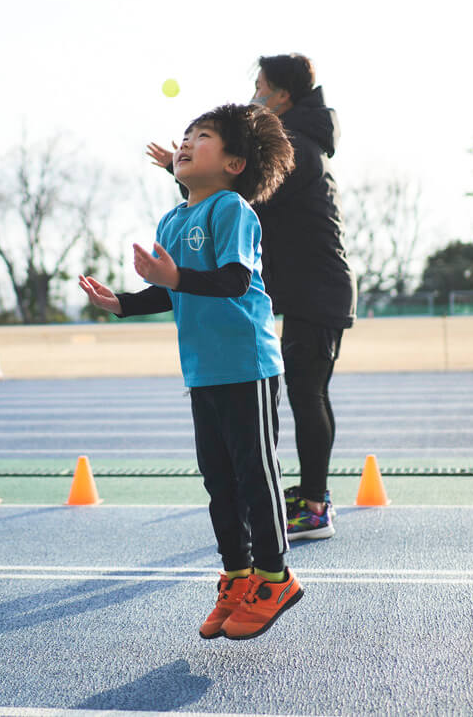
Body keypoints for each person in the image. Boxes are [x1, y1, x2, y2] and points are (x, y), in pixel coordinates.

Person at [81, 103, 301, 641]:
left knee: (256, 475)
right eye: (184, 135)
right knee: (218, 480)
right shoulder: (173, 219)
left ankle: (276, 578)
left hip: (246, 364)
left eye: (202, 136)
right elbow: (170, 289)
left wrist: (176, 275)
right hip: (203, 370)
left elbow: (230, 280)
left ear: (234, 163)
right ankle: (238, 575)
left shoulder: (232, 210)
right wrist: (124, 304)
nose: (184, 143)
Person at [147, 54, 355, 541]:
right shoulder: (297, 140)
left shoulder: (299, 147)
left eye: (260, 86)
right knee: (300, 393)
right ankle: (300, 495)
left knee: (307, 393)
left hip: (318, 285)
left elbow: (243, 193)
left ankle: (316, 504)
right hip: (299, 285)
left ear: (282, 95)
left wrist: (184, 171)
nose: (254, 93)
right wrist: (184, 167)